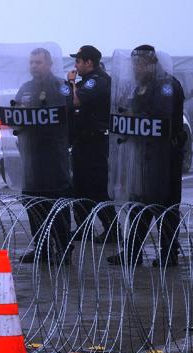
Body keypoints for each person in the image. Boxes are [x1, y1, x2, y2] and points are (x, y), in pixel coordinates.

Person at [107, 45, 186, 267]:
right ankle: (133, 252)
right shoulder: (141, 86)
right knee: (139, 203)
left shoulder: (166, 85)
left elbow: (160, 116)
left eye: (140, 64)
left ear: (152, 63)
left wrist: (134, 115)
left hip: (164, 157)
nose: (136, 69)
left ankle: (168, 254)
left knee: (165, 206)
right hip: (142, 156)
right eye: (134, 64)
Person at [13, 48, 72, 264]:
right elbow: (16, 113)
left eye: (38, 62)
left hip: (53, 156)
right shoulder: (26, 88)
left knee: (57, 202)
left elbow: (68, 119)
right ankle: (42, 248)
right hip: (31, 156)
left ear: (49, 64)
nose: (34, 66)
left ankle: (64, 248)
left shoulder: (60, 86)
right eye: (31, 62)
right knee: (33, 202)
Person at [66, 45, 116, 243]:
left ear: (89, 62)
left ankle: (112, 229)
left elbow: (76, 101)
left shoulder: (97, 81)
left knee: (96, 187)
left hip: (94, 142)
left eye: (78, 61)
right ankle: (83, 227)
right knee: (79, 187)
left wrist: (71, 83)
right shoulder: (88, 81)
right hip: (83, 141)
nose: (76, 66)